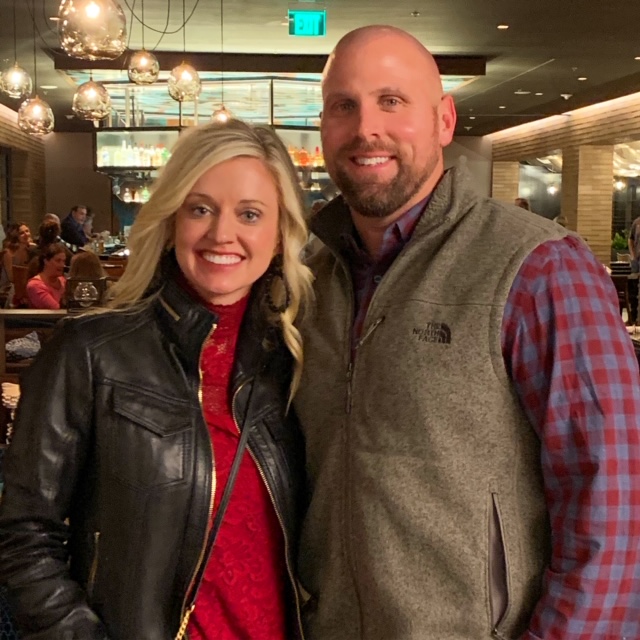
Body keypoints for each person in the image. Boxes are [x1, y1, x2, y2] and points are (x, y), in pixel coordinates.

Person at [293, 25, 640, 640]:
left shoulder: (540, 267)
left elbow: (614, 505)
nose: (366, 128)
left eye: (391, 101)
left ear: (444, 120)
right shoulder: (308, 282)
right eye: (343, 106)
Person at [0, 120, 313, 639]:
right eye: (200, 208)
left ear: (279, 236)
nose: (222, 234)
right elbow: (24, 534)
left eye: (250, 214)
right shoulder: (91, 351)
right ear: (170, 221)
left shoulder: (297, 359)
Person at [25, 242, 67, 310]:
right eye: (58, 261)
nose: (62, 265)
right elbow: (56, 310)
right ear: (46, 261)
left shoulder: (63, 281)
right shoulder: (35, 286)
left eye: (64, 261)